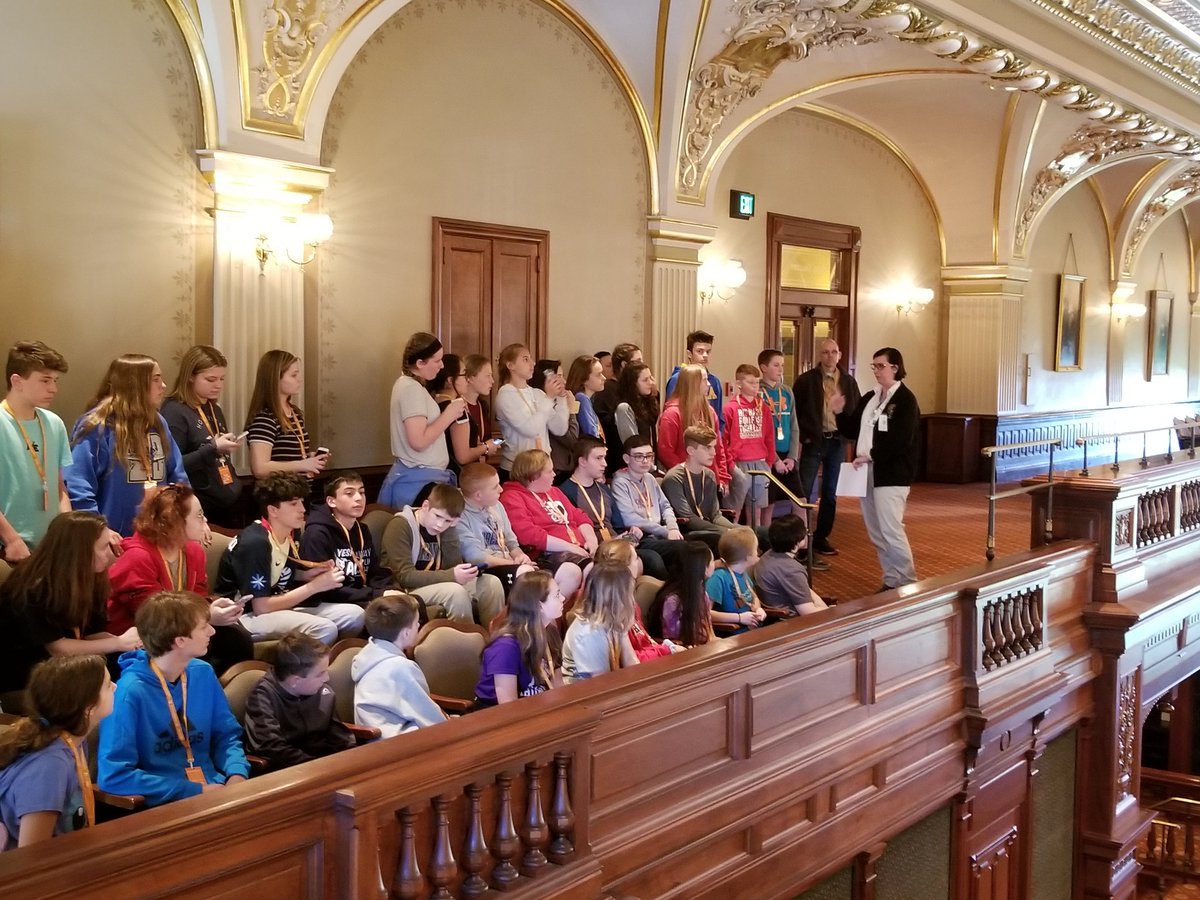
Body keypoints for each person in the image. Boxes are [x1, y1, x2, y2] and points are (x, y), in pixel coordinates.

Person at [97, 591, 250, 806]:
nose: (212, 631)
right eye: (203, 626)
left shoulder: (203, 673)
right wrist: (191, 790)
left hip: (217, 791)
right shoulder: (129, 691)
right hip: (166, 804)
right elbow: (114, 775)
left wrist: (236, 774)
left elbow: (226, 735)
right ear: (180, 640)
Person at [107, 485, 253, 675]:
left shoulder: (194, 551)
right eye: (199, 515)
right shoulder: (137, 557)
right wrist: (207, 616)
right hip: (143, 638)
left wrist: (215, 606)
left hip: (182, 628)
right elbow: (153, 616)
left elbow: (199, 595)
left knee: (236, 639)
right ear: (174, 521)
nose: (205, 520)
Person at [0, 511, 139, 697]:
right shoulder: (33, 587)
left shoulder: (91, 578)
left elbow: (90, 634)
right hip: (26, 678)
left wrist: (133, 642)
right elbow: (58, 649)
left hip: (67, 668)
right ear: (82, 551)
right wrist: (118, 642)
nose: (112, 553)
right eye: (105, 546)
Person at [214, 473, 362, 643]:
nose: (302, 509)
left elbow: (277, 570)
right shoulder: (256, 543)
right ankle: (307, 668)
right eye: (293, 504)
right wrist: (314, 586)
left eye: (301, 502)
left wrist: (307, 575)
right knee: (324, 628)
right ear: (273, 510)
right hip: (245, 615)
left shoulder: (292, 531)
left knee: (355, 615)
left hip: (278, 603)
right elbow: (261, 606)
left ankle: (332, 661)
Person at [66, 353, 188, 537]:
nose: (163, 386)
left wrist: (187, 515)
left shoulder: (158, 423)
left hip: (158, 535)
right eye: (156, 379)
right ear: (134, 385)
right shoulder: (98, 426)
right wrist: (98, 530)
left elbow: (178, 475)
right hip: (114, 538)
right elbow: (78, 484)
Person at [0, 655, 113, 849]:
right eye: (109, 685)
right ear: (88, 708)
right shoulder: (49, 766)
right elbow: (32, 854)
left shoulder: (74, 740)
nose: (116, 688)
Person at [834, 346, 920, 592]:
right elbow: (851, 430)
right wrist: (839, 411)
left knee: (891, 528)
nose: (876, 371)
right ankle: (892, 579)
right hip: (866, 472)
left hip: (892, 474)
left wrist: (870, 456)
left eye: (880, 366)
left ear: (895, 368)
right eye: (874, 366)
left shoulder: (905, 400)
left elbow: (901, 440)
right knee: (876, 531)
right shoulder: (871, 397)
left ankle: (908, 581)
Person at [380, 483, 506, 626]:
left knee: (491, 583)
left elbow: (453, 565)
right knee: (455, 591)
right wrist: (451, 575)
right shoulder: (400, 525)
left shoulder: (446, 529)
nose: (440, 525)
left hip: (439, 582)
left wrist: (451, 531)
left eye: (448, 521)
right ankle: (469, 641)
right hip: (406, 589)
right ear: (426, 506)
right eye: (438, 516)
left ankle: (494, 639)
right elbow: (405, 576)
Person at [561, 436, 672, 581]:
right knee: (652, 559)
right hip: (594, 548)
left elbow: (618, 525)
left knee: (677, 548)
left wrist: (631, 532)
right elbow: (574, 530)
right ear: (582, 461)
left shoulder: (603, 488)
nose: (605, 464)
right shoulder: (566, 491)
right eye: (599, 458)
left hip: (617, 542)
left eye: (604, 458)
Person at [0, 341, 72, 562]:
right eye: (45, 380)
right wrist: (12, 540)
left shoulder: (54, 423)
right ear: (17, 381)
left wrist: (68, 531)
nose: (53, 388)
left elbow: (59, 487)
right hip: (10, 549)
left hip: (49, 548)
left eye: (55, 381)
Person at [242, 631, 356, 769]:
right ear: (295, 681)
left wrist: (352, 761)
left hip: (324, 765)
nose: (327, 678)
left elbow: (339, 737)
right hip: (290, 771)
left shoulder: (322, 692)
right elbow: (272, 748)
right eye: (320, 673)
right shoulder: (263, 697)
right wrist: (317, 766)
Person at [161, 345, 245, 528]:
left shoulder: (214, 408)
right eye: (211, 379)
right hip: (200, 506)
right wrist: (212, 448)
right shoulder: (174, 411)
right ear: (191, 376)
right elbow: (172, 465)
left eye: (222, 379)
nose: (219, 385)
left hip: (229, 497)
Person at [378, 333, 461, 509]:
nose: (442, 365)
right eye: (437, 360)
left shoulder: (412, 386)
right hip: (418, 483)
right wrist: (449, 414)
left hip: (422, 479)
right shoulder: (410, 389)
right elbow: (418, 441)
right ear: (420, 363)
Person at [794, 339, 861, 557]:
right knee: (803, 492)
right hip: (815, 440)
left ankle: (822, 537)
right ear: (819, 355)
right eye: (825, 352)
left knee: (830, 493)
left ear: (840, 354)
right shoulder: (806, 381)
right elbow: (796, 412)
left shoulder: (848, 382)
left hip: (837, 442)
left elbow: (856, 411)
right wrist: (805, 437)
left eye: (834, 352)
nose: (830, 356)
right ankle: (800, 539)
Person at [658, 367, 749, 523]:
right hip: (685, 479)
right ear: (693, 383)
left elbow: (718, 447)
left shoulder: (709, 411)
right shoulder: (672, 414)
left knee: (715, 517)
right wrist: (688, 473)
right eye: (705, 380)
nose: (709, 384)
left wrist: (722, 475)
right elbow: (666, 451)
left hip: (708, 478)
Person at [499, 449, 592, 599]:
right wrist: (570, 547)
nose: (554, 474)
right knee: (591, 569)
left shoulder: (555, 492)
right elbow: (528, 534)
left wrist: (591, 540)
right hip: (547, 554)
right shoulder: (512, 496)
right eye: (549, 471)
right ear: (533, 476)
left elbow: (579, 517)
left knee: (616, 564)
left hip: (578, 548)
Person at [351, 593, 446, 737]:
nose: (419, 625)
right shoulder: (400, 667)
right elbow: (429, 718)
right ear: (406, 634)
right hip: (400, 742)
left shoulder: (366, 655)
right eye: (416, 623)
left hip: (378, 739)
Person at [299, 473, 392, 606]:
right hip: (334, 600)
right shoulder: (317, 534)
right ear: (332, 501)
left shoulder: (362, 530)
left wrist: (388, 590)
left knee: (410, 601)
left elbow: (374, 572)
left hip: (364, 595)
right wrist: (374, 594)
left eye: (362, 492)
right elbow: (325, 588)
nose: (359, 498)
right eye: (349, 493)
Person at [473, 570, 564, 707]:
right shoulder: (505, 647)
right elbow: (509, 708)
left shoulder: (549, 632)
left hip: (539, 709)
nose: (563, 598)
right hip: (497, 719)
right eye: (557, 595)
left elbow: (558, 688)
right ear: (539, 606)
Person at [245, 349, 328, 481]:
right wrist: (302, 464)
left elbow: (287, 456)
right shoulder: (264, 418)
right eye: (293, 375)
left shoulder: (294, 412)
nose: (300, 379)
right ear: (275, 379)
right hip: (279, 496)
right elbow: (260, 468)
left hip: (300, 491)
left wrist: (309, 459)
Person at [455, 462, 538, 592]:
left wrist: (520, 556)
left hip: (508, 562)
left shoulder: (496, 505)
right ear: (478, 495)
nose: (501, 489)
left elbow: (511, 542)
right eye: (495, 487)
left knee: (548, 575)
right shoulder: (459, 516)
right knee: (527, 575)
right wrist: (514, 564)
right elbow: (476, 557)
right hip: (485, 569)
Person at [592, 539, 679, 661]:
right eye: (636, 558)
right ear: (625, 567)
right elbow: (628, 659)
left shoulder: (628, 600)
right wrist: (668, 650)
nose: (639, 561)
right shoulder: (612, 609)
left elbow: (645, 641)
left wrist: (670, 647)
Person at [494, 343, 569, 479]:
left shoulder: (538, 393)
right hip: (517, 469)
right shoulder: (505, 394)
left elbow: (559, 429)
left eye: (531, 359)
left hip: (541, 467)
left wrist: (561, 399)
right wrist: (550, 397)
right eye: (525, 359)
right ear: (510, 365)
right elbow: (529, 429)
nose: (532, 363)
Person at [660, 425, 735, 553]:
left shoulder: (709, 475)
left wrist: (736, 530)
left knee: (750, 533)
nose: (714, 452)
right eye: (707, 448)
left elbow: (715, 515)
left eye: (713, 447)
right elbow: (688, 519)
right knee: (726, 537)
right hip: (688, 531)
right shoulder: (674, 478)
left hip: (709, 527)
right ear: (691, 451)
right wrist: (727, 532)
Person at [561, 562, 639, 683]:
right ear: (617, 598)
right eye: (629, 592)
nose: (632, 599)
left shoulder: (612, 618)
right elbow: (602, 685)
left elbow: (632, 665)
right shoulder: (588, 633)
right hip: (584, 696)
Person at [723, 364, 777, 527]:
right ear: (739, 384)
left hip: (760, 462)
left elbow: (769, 437)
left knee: (756, 511)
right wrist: (730, 465)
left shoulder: (764, 408)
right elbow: (724, 440)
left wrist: (768, 463)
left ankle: (755, 544)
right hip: (739, 464)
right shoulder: (729, 409)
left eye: (757, 382)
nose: (755, 386)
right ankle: (732, 545)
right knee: (734, 511)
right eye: (751, 382)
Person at [610, 435, 685, 551]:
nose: (645, 461)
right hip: (640, 537)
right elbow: (629, 518)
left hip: (661, 533)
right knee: (683, 549)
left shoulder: (650, 478)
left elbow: (666, 506)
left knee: (700, 544)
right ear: (626, 458)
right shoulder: (620, 483)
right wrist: (665, 532)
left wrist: (673, 528)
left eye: (649, 456)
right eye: (639, 456)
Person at [758, 349, 803, 524]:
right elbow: (760, 433)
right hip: (769, 457)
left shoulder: (787, 391)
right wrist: (775, 458)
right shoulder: (759, 393)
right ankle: (767, 543)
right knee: (768, 505)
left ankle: (803, 545)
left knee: (800, 501)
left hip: (788, 457)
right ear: (763, 367)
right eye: (776, 365)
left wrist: (792, 456)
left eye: (782, 365)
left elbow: (794, 425)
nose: (781, 369)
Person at [753, 515, 828, 617]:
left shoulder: (768, 555)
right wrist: (830, 612)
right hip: (792, 622)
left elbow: (804, 591)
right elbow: (808, 613)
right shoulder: (791, 570)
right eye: (805, 531)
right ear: (797, 540)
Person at [647, 541, 714, 648]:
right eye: (712, 561)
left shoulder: (702, 593)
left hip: (699, 647)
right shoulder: (672, 601)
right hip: (679, 651)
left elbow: (708, 630)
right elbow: (671, 638)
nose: (715, 563)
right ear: (704, 568)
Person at [444, 354, 502, 474]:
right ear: (470, 378)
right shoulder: (457, 407)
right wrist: (485, 447)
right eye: (488, 376)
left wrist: (488, 447)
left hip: (478, 470)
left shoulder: (483, 405)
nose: (492, 381)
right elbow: (461, 455)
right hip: (457, 472)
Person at [705, 527, 766, 636]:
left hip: (752, 631)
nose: (758, 552)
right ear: (747, 557)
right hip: (732, 636)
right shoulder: (718, 578)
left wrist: (758, 609)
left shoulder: (742, 573)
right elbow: (705, 613)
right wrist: (739, 618)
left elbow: (753, 597)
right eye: (755, 549)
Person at [530, 358, 579, 482]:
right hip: (554, 469)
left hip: (564, 469)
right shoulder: (541, 403)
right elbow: (570, 439)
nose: (563, 381)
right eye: (559, 376)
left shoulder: (557, 402)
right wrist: (572, 412)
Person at [664, 330, 723, 429]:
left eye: (708, 352)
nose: (705, 355)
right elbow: (670, 413)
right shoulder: (677, 379)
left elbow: (719, 417)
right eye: (700, 351)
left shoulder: (714, 382)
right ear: (689, 354)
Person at [614, 362, 659, 455]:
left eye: (650, 378)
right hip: (636, 462)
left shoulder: (646, 402)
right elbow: (632, 444)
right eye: (645, 380)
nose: (651, 383)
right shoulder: (624, 408)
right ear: (633, 384)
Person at [567, 355, 607, 442]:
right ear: (584, 379)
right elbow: (590, 431)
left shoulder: (586, 399)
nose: (604, 378)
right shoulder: (582, 398)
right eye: (598, 375)